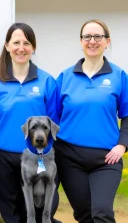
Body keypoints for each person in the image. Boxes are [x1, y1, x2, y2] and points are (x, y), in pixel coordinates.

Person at [0, 23, 61, 223]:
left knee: (38, 212)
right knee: (11, 213)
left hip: (38, 156)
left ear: (33, 47)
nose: (21, 48)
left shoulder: (46, 81)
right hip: (2, 159)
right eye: (16, 42)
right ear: (7, 46)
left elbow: (54, 118)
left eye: (26, 43)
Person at [54, 19, 128, 223]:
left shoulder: (119, 76)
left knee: (102, 213)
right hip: (69, 158)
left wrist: (122, 146)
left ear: (107, 41)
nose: (92, 41)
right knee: (84, 215)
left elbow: (127, 116)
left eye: (98, 36)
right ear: (81, 41)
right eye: (87, 36)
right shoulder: (65, 77)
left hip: (106, 159)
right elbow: (52, 118)